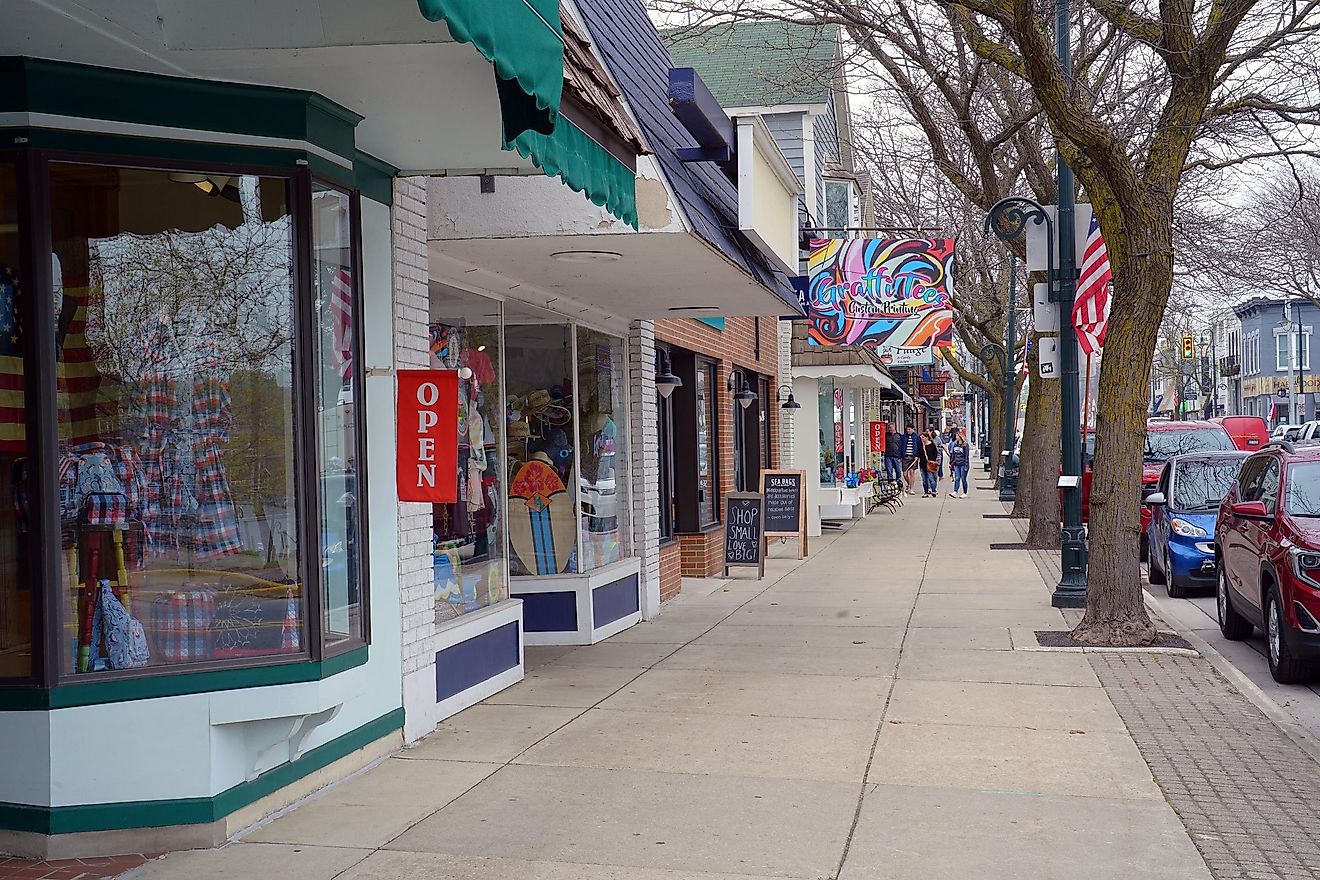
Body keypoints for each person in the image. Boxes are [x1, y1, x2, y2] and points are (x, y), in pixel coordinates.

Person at [948, 430, 971, 498]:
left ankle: (964, 492)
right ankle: (955, 491)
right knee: (957, 478)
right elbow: (953, 455)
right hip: (956, 464)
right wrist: (951, 463)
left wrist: (966, 465)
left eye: (957, 436)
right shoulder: (955, 444)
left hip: (963, 464)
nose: (956, 437)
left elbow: (966, 456)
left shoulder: (965, 445)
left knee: (963, 478)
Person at [900, 424, 921, 495]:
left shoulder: (917, 437)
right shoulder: (903, 437)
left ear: (913, 429)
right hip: (905, 457)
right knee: (905, 474)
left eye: (909, 429)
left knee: (912, 472)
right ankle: (909, 484)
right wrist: (900, 456)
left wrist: (917, 455)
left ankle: (912, 489)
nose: (908, 431)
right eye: (907, 429)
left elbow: (919, 447)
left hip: (913, 457)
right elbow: (900, 447)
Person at [919, 430, 941, 497]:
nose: (922, 439)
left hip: (930, 464)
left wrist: (933, 461)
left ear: (927, 437)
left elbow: (935, 453)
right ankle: (926, 492)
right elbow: (919, 453)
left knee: (931, 479)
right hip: (923, 464)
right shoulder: (921, 445)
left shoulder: (932, 445)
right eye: (921, 437)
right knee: (924, 480)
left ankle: (934, 491)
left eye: (923, 437)